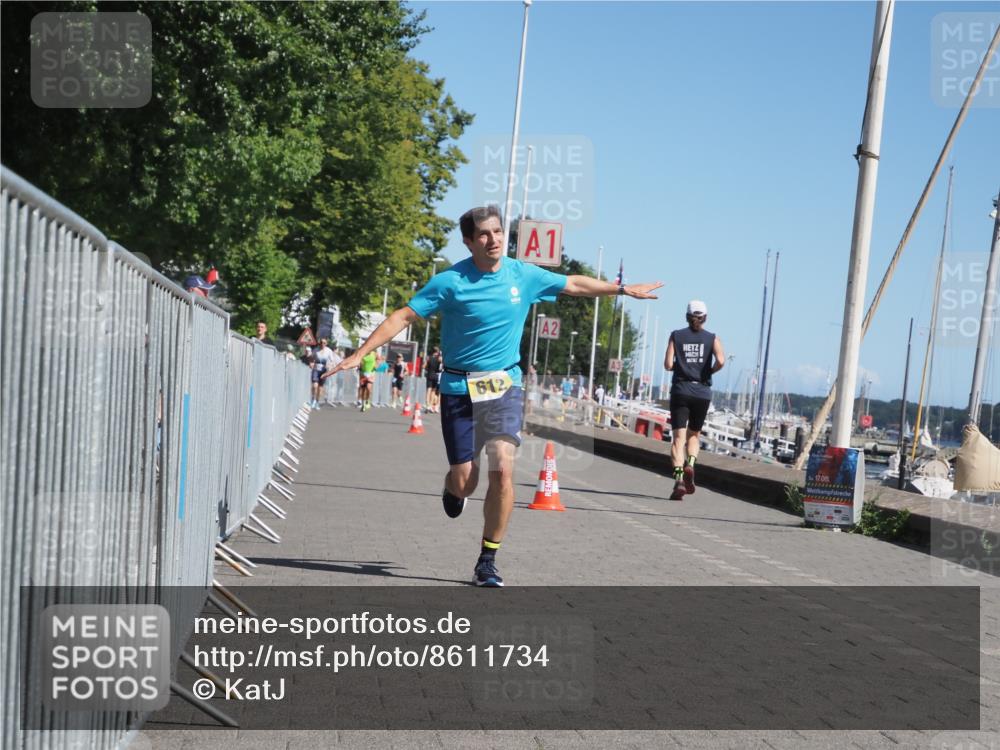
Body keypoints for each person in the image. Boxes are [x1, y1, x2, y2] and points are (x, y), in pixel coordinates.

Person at [330, 205, 662, 587]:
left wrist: (622, 290)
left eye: (498, 232)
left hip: (503, 385)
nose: (493, 240)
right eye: (484, 235)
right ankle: (452, 486)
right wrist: (360, 352)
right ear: (469, 241)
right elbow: (402, 317)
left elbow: (573, 284)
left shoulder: (523, 274)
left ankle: (487, 559)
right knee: (466, 482)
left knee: (503, 469)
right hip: (458, 387)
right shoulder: (450, 281)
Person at [663, 300, 725, 501]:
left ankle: (679, 480)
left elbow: (667, 364)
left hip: (681, 389)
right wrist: (708, 371)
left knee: (678, 439)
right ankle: (691, 462)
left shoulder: (676, 335)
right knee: (694, 435)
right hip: (702, 392)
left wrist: (679, 367)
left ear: (686, 316)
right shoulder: (712, 338)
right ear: (705, 317)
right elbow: (721, 361)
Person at [310, 338, 335, 409]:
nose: (322, 344)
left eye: (324, 343)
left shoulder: (328, 351)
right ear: (319, 343)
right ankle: (313, 400)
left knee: (320, 388)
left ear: (326, 344)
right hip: (316, 369)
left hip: (324, 371)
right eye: (321, 342)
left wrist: (330, 366)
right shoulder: (315, 350)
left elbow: (332, 361)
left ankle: (317, 402)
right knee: (315, 386)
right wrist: (311, 363)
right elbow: (311, 358)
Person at [425, 346, 443, 413]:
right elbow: (442, 366)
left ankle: (427, 404)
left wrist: (428, 367)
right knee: (433, 391)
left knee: (428, 390)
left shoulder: (428, 358)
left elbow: (424, 366)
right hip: (436, 375)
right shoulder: (439, 359)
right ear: (437, 352)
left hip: (429, 374)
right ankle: (430, 405)